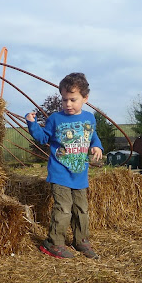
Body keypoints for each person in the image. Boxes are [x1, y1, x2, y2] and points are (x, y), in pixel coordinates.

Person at [26, 72, 103, 259]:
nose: (68, 104)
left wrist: (97, 146)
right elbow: (44, 138)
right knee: (64, 208)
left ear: (85, 98)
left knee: (81, 209)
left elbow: (92, 136)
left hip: (79, 173)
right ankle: (53, 243)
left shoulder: (89, 118)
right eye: (64, 100)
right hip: (60, 171)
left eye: (73, 100)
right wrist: (32, 124)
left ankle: (81, 240)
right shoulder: (55, 119)